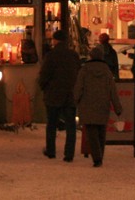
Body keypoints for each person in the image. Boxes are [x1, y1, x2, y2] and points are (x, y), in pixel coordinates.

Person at [74, 45, 123, 168]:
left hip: (87, 105)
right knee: (101, 132)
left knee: (91, 133)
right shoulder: (107, 71)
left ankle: (97, 158)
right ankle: (100, 155)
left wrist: (74, 102)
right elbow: (113, 91)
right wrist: (117, 107)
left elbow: (79, 88)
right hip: (103, 105)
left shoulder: (84, 70)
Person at [38, 29, 81, 162]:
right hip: (69, 94)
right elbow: (78, 73)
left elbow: (44, 75)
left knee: (51, 124)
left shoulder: (51, 56)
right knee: (70, 126)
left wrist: (43, 86)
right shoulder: (73, 55)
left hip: (53, 94)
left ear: (55, 40)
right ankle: (69, 154)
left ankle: (51, 151)